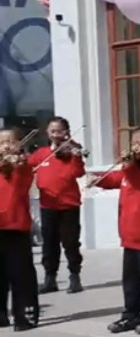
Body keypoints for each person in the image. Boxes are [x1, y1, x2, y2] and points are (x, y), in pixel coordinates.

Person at [90, 126, 140, 335]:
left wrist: (129, 165)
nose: (134, 147)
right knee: (130, 280)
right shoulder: (130, 170)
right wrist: (98, 178)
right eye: (132, 143)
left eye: (139, 143)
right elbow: (115, 179)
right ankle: (131, 314)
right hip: (130, 233)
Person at [29, 116, 86, 295]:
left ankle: (75, 277)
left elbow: (78, 173)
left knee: (71, 242)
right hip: (48, 205)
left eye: (60, 131)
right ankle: (50, 278)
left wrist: (76, 156)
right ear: (48, 133)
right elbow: (26, 166)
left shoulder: (71, 153)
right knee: (49, 243)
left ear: (66, 132)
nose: (56, 135)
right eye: (53, 131)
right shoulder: (41, 153)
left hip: (69, 205)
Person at [0, 127, 38, 330]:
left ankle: (21, 316)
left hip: (16, 226)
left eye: (10, 142)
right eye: (1, 143)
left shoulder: (23, 166)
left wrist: (17, 164)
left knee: (19, 274)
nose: (6, 146)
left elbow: (24, 180)